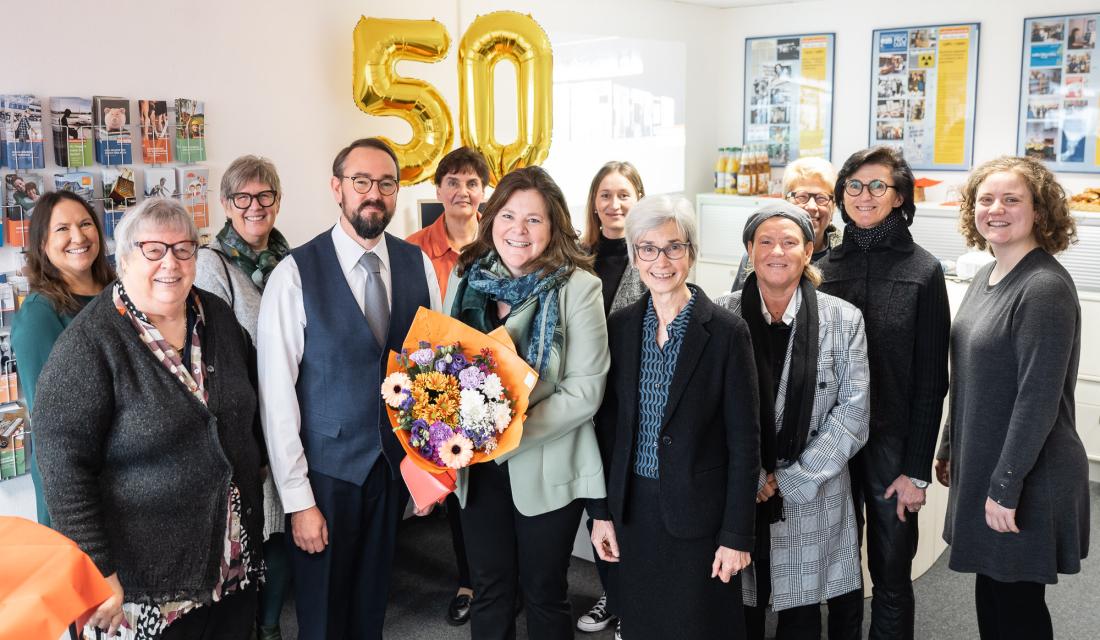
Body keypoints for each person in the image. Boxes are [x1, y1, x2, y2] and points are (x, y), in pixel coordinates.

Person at [33, 198, 264, 639]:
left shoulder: (215, 314)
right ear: (123, 259)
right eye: (153, 250)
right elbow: (64, 469)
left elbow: (249, 396)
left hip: (232, 561)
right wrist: (98, 568)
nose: (170, 264)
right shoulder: (89, 344)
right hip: (148, 586)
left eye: (183, 249)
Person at [257, 138, 442, 640]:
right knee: (321, 616)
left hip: (390, 471)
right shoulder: (294, 273)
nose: (374, 194)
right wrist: (298, 501)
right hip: (326, 478)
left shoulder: (418, 266)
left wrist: (430, 471)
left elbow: (432, 379)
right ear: (337, 188)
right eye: (361, 182)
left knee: (372, 608)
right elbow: (278, 400)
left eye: (386, 184)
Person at [446, 165, 609, 640]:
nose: (519, 230)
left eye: (534, 220)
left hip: (546, 462)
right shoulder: (467, 280)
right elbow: (440, 365)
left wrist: (503, 433)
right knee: (490, 589)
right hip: (475, 467)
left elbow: (585, 389)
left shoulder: (579, 287)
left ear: (554, 226)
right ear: (490, 218)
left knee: (544, 592)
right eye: (509, 216)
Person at [588, 194, 760, 640]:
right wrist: (601, 513)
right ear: (634, 255)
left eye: (674, 247)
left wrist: (737, 534)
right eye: (647, 248)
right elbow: (606, 431)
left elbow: (746, 443)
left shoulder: (725, 332)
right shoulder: (621, 326)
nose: (660, 261)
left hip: (700, 520)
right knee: (642, 626)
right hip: (634, 514)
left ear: (691, 253)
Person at [934, 156, 1089, 640]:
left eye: (1011, 199)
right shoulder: (988, 274)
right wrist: (948, 445)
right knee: (993, 592)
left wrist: (1005, 485)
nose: (995, 209)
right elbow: (967, 372)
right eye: (985, 199)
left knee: (1017, 608)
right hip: (987, 458)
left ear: (1040, 211)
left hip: (1027, 473)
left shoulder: (1042, 287)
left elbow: (1036, 400)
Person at [716, 201, 869, 640]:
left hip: (812, 492)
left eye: (789, 242)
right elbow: (706, 412)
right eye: (765, 241)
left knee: (801, 620)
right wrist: (751, 475)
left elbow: (854, 414)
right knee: (738, 612)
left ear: (809, 250)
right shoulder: (719, 315)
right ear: (749, 250)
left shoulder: (845, 319)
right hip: (739, 490)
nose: (777, 251)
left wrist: (790, 479)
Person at [817, 145, 950, 640]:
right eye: (854, 185)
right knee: (839, 569)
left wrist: (917, 470)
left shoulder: (924, 270)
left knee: (892, 571)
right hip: (832, 443)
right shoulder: (824, 269)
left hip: (893, 446)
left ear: (899, 197)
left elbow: (932, 379)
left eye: (878, 186)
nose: (864, 195)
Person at [195, 155, 292, 640]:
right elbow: (222, 359)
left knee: (285, 525)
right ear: (226, 204)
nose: (255, 207)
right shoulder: (211, 266)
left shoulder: (292, 259)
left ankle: (270, 624)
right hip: (247, 420)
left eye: (264, 196)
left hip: (291, 409)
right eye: (242, 198)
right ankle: (254, 626)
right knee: (253, 529)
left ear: (277, 200)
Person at [405, 145, 489, 626]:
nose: (462, 191)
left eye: (472, 183)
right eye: (453, 182)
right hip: (436, 385)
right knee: (458, 489)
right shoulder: (413, 248)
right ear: (438, 190)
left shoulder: (500, 242)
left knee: (492, 489)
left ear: (483, 192)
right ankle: (468, 579)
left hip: (489, 384)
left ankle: (499, 576)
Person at [12, 191, 114, 527]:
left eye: (86, 224)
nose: (78, 236)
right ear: (41, 243)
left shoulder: (121, 293)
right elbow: (52, 426)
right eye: (62, 229)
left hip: (135, 478)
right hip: (83, 492)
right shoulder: (39, 316)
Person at [575, 160, 647, 637]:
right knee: (594, 506)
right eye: (605, 194)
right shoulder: (576, 257)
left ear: (639, 198)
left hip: (634, 405)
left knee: (632, 509)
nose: (614, 204)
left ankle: (633, 600)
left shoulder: (654, 253)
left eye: (624, 194)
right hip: (583, 406)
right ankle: (611, 593)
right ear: (594, 202)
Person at [732, 156, 840, 290]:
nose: (812, 206)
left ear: (834, 206)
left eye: (822, 198)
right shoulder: (757, 254)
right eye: (802, 197)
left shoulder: (844, 256)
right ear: (785, 202)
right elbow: (737, 306)